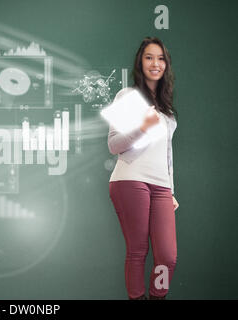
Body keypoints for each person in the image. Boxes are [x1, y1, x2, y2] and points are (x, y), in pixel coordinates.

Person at [108, 37, 179, 300]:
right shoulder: (126, 96)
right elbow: (114, 144)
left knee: (167, 256)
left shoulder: (167, 110)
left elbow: (168, 154)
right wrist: (142, 128)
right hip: (130, 179)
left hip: (161, 186)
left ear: (166, 65)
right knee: (138, 252)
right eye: (149, 57)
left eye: (160, 58)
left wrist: (171, 190)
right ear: (141, 62)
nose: (155, 63)